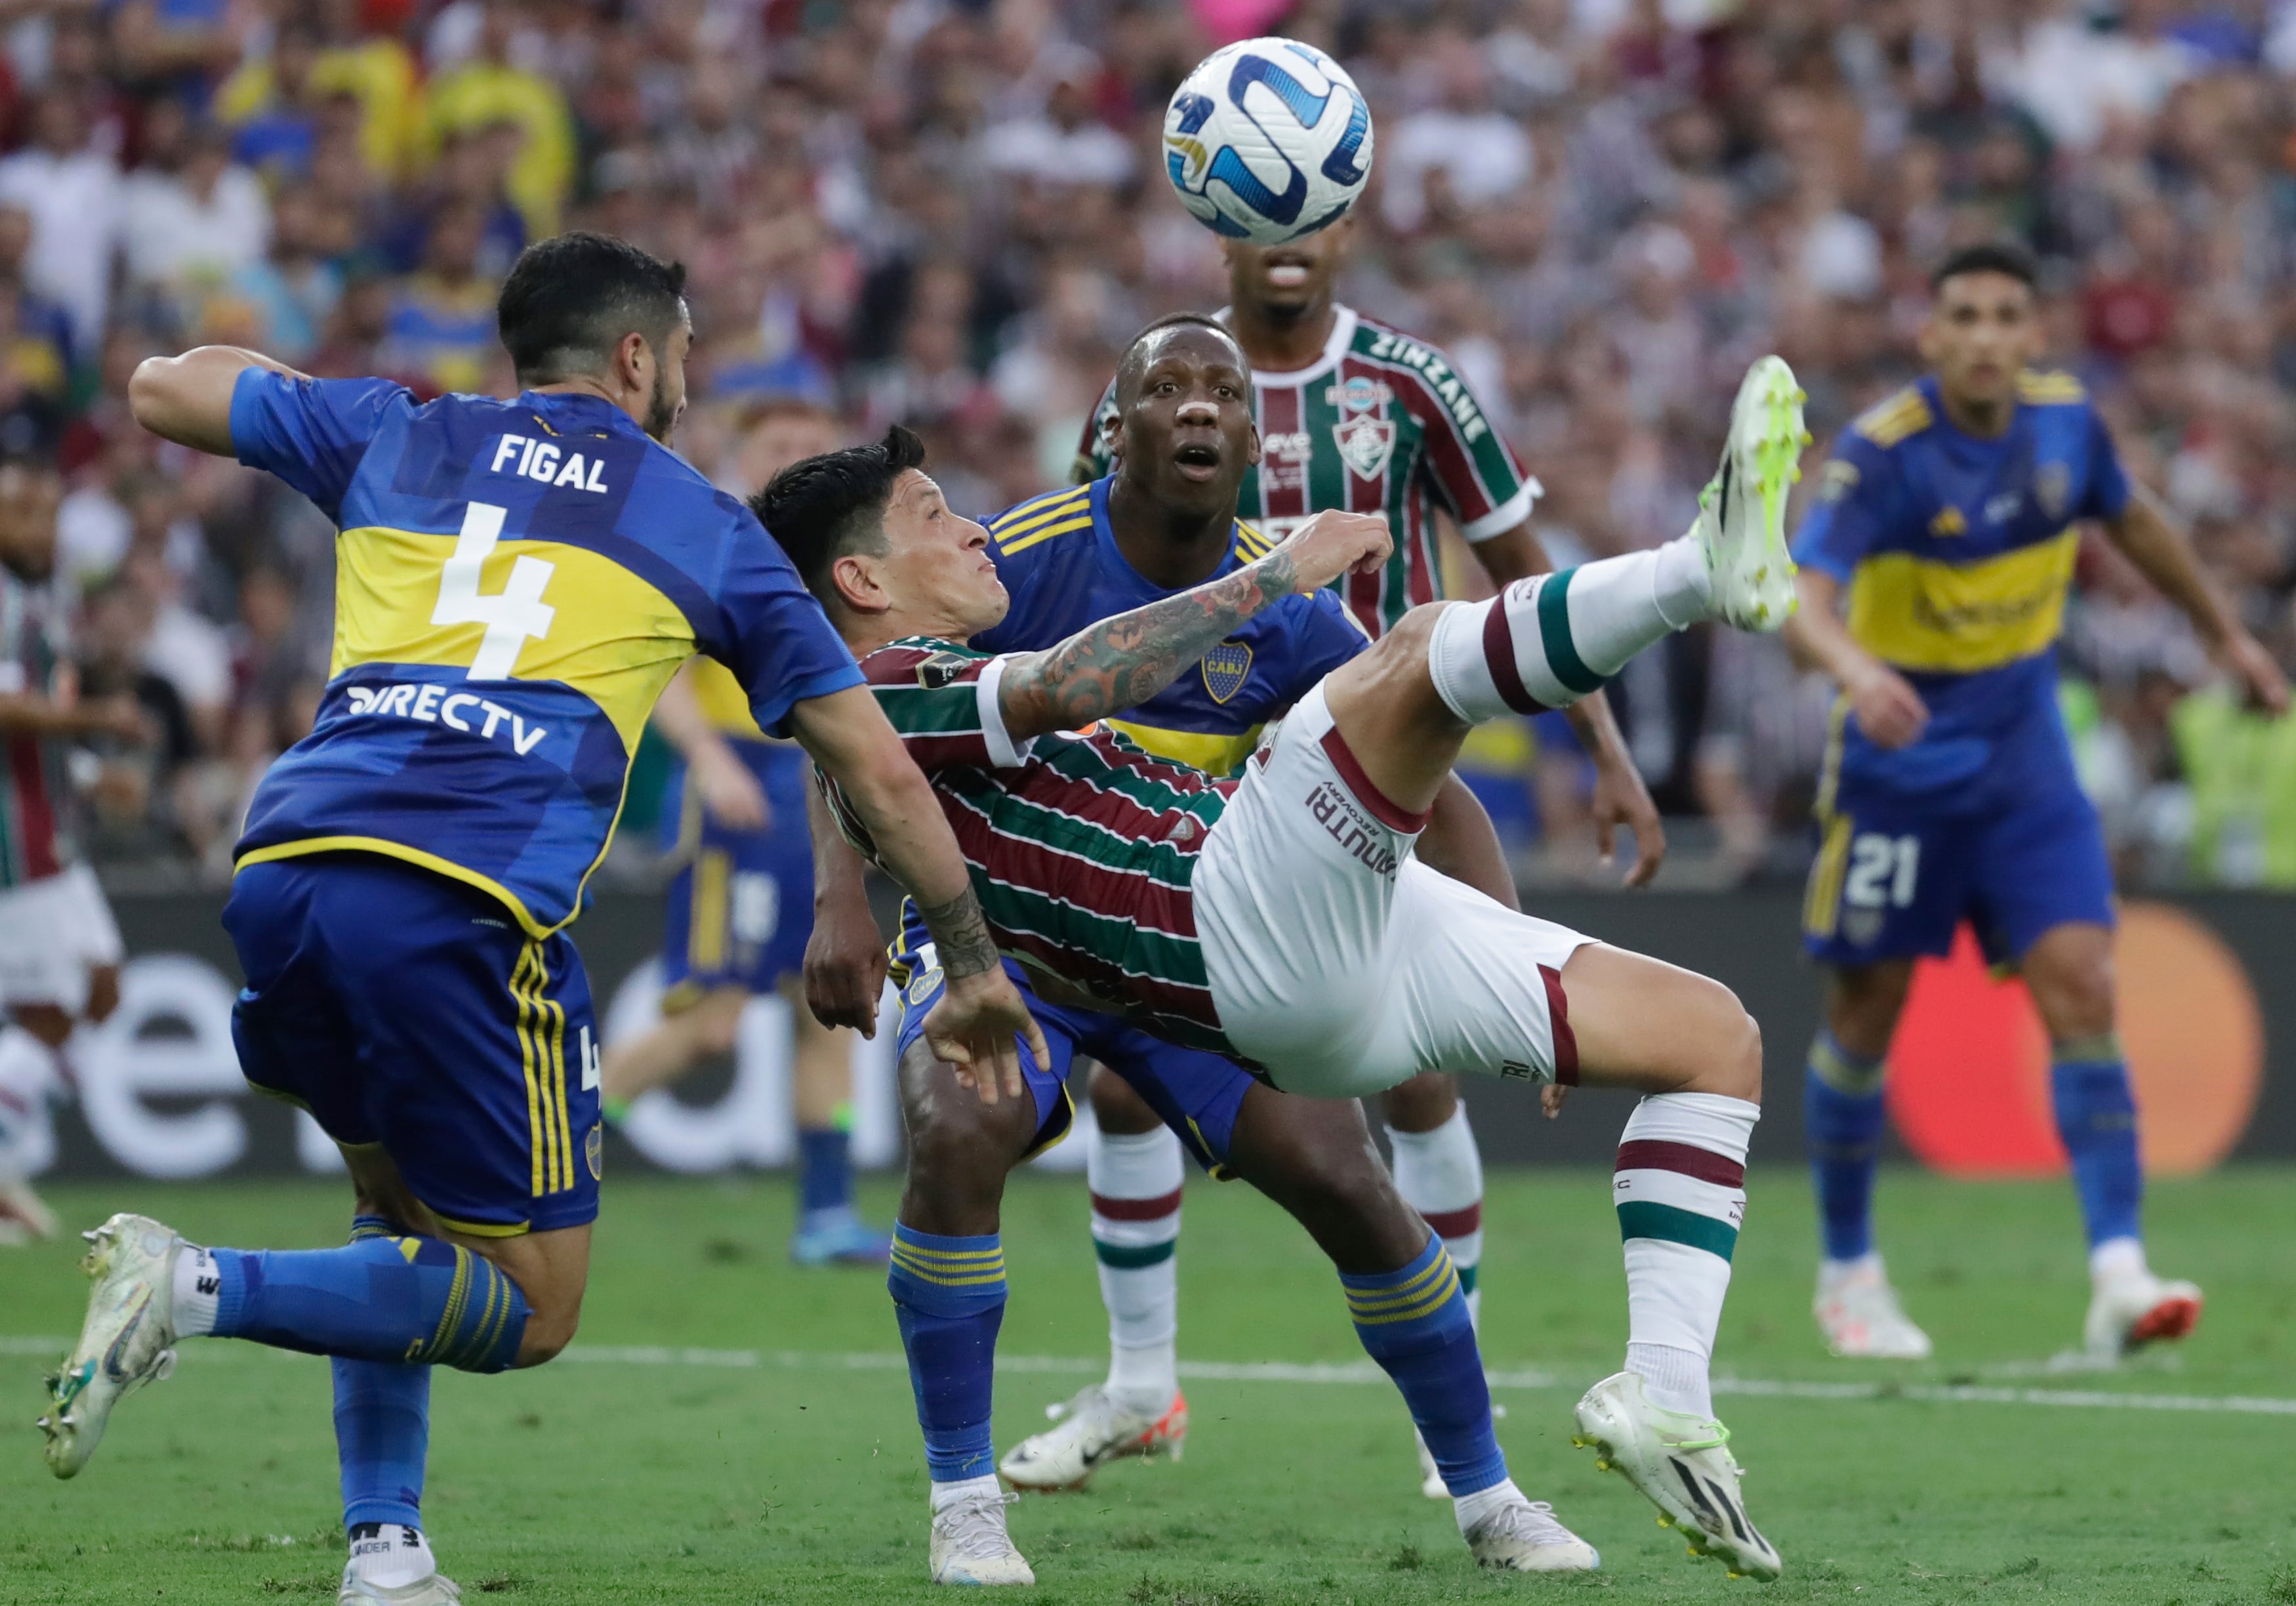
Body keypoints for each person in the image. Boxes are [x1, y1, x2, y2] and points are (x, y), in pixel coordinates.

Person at [41, 232, 1038, 1605]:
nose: (688, 374)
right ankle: (195, 1285)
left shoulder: (399, 432)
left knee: (393, 1214)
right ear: (637, 357)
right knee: (532, 1308)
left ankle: (385, 1552)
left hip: (285, 868)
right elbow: (873, 763)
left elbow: (164, 389)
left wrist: (311, 399)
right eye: (684, 349)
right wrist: (970, 958)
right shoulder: (700, 522)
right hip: (460, 899)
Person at [760, 324, 1816, 1586]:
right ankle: (966, 1500)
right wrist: (1277, 577)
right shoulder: (896, 672)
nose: (973, 527)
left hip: (1282, 927)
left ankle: (1641, 1412)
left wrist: (1511, 927)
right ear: (867, 580)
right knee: (1417, 647)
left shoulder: (926, 648)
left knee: (1710, 1038)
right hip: (1202, 928)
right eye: (934, 516)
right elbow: (1044, 688)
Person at [1070, 218, 1666, 1496]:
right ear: (1210, 209)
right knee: (1124, 1084)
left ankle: (1451, 1382)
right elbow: (1079, 538)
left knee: (1415, 1085)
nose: (1288, 233)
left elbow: (1517, 566)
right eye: (1257, 209)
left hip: (1374, 746)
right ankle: (1138, 1384)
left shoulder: (1411, 382)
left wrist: (1600, 744)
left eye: (1312, 208)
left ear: (1346, 217)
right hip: (1190, 753)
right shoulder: (1157, 372)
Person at [1784, 241, 2292, 1362]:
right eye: (1959, 313)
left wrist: (2224, 633)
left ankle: (2117, 1270)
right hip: (1899, 763)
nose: (1981, 334)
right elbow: (1798, 596)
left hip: (2023, 759)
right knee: (1865, 1018)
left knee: (2084, 983)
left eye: (2003, 314)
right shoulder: (1883, 456)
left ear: (2032, 334)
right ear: (1929, 336)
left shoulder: (2067, 426)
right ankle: (1846, 1270)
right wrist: (1856, 670)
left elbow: (2139, 518)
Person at [599, 399, 885, 1266]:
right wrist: (710, 763)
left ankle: (826, 1215)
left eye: (810, 447)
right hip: (738, 789)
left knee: (824, 1010)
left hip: (814, 788)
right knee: (712, 1024)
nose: (797, 458)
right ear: (742, 454)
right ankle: (532, 1162)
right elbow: (659, 669)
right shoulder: (711, 540)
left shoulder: (843, 558)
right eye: (779, 446)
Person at [0, 453, 144, 1247]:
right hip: (13, 843)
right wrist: (101, 721)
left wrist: (87, 773)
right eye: (22, 513)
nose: (39, 530)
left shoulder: (37, 595)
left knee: (102, 990)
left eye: (48, 514)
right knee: (53, 1013)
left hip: (51, 826)